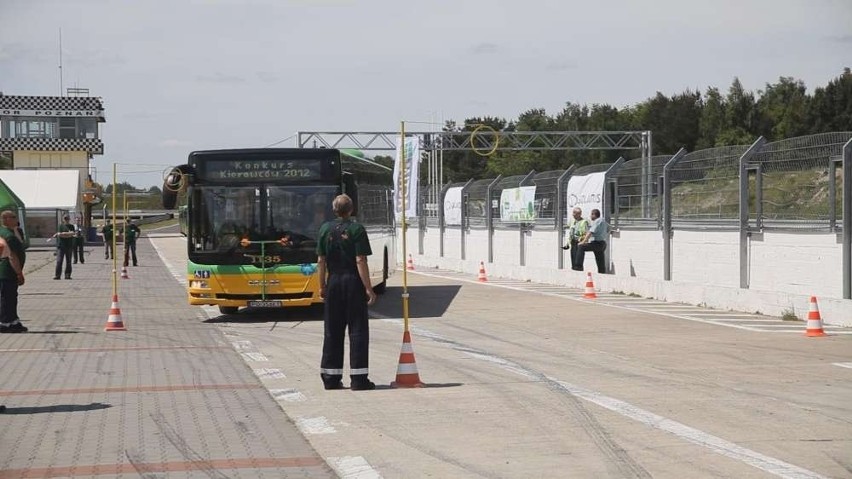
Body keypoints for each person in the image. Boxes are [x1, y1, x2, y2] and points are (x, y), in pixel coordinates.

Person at [316, 194, 377, 391]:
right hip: (352, 282)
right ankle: (359, 379)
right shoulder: (357, 229)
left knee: (332, 330)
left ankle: (330, 378)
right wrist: (368, 288)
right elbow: (360, 260)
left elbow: (321, 261)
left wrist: (321, 286)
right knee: (357, 330)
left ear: (334, 210)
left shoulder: (325, 229)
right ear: (351, 209)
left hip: (333, 281)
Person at [0, 210, 26, 333]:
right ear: (6, 219)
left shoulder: (10, 232)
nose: (17, 219)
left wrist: (16, 229)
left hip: (9, 271)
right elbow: (12, 256)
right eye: (14, 217)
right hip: (7, 271)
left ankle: (13, 321)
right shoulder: (8, 236)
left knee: (12, 297)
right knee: (7, 297)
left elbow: (21, 244)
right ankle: (4, 323)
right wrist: (19, 273)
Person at [577, 208, 609, 274]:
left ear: (594, 214)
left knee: (581, 247)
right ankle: (602, 274)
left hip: (597, 243)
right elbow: (608, 229)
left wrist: (583, 242)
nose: (590, 216)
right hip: (603, 243)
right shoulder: (603, 221)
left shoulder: (597, 221)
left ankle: (578, 267)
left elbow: (590, 232)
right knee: (600, 260)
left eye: (591, 215)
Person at [563, 207, 589, 271]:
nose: (573, 215)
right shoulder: (573, 221)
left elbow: (585, 234)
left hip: (579, 243)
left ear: (579, 214)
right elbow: (571, 232)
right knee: (573, 259)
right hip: (573, 242)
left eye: (575, 213)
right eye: (573, 213)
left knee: (578, 261)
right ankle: (574, 271)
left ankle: (579, 272)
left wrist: (581, 240)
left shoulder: (583, 222)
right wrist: (568, 243)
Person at [53, 215, 76, 280]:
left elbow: (72, 234)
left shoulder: (71, 226)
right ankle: (57, 275)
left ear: (69, 219)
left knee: (68, 261)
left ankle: (67, 275)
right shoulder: (60, 226)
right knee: (59, 261)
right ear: (63, 219)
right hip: (61, 246)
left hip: (69, 245)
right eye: (65, 219)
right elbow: (60, 235)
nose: (66, 220)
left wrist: (64, 234)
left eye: (67, 219)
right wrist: (67, 234)